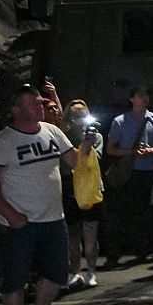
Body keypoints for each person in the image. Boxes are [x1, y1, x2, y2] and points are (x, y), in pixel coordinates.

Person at [0, 85, 85, 305]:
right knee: (15, 280)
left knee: (56, 275)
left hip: (53, 219)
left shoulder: (52, 132)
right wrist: (11, 214)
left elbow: (75, 162)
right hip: (20, 224)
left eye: (40, 101)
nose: (41, 105)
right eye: (33, 102)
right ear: (16, 109)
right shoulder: (2, 142)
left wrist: (87, 145)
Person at [102, 84, 153, 267]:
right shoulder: (120, 121)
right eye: (140, 95)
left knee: (146, 212)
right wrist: (131, 152)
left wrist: (150, 150)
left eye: (146, 94)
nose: (144, 98)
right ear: (131, 99)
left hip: (150, 169)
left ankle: (143, 250)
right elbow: (111, 149)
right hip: (129, 171)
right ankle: (115, 253)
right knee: (124, 212)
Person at [59, 100, 105, 287]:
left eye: (82, 114)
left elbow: (93, 158)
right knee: (72, 232)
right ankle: (75, 271)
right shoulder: (63, 135)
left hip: (90, 186)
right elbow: (66, 161)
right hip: (69, 186)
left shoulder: (96, 136)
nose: (78, 118)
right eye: (74, 115)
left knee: (90, 231)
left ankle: (92, 271)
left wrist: (88, 142)